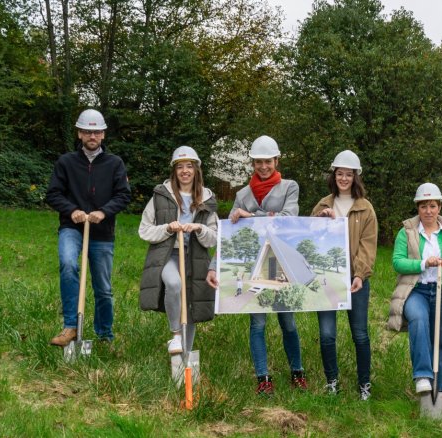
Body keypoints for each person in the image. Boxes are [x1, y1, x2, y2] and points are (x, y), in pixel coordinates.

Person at [228, 135, 305, 394]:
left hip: (281, 264)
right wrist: (243, 219)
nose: (263, 166)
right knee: (258, 323)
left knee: (288, 322)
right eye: (258, 162)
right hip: (254, 264)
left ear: (276, 160)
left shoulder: (289, 187)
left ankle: (297, 372)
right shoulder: (242, 194)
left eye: (268, 161)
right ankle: (263, 378)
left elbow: (288, 218)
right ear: (252, 163)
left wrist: (251, 216)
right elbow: (234, 229)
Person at [46, 109, 131, 347]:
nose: (91, 135)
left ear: (103, 134)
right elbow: (52, 194)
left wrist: (103, 212)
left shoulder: (115, 164)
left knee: (103, 287)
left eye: (96, 131)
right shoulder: (66, 162)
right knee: (68, 264)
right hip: (71, 228)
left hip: (102, 233)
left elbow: (124, 195)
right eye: (87, 131)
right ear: (79, 134)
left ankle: (105, 334)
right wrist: (71, 210)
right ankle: (71, 327)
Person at [387, 183, 442, 395]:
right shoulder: (406, 232)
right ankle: (422, 375)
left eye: (432, 206)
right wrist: (423, 263)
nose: (428, 211)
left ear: (439, 207)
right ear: (418, 208)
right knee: (419, 320)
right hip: (416, 292)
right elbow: (397, 262)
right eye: (423, 206)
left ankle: (438, 390)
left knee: (440, 341)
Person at [138, 146, 219, 355]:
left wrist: (199, 228)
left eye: (189, 166)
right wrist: (167, 228)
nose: (185, 171)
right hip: (168, 254)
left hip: (195, 257)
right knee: (174, 284)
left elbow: (213, 238)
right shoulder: (160, 196)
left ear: (196, 170)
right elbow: (144, 230)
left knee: (190, 306)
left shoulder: (207, 199)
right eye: (180, 166)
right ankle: (175, 335)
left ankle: (185, 357)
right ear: (174, 170)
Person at [312, 150, 378, 400]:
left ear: (355, 177)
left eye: (348, 174)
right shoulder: (322, 205)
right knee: (327, 334)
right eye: (339, 174)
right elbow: (308, 238)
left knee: (360, 334)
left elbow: (368, 245)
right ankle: (332, 382)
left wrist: (359, 274)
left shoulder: (365, 209)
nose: (343, 178)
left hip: (355, 280)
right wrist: (322, 220)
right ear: (334, 176)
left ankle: (364, 384)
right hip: (327, 280)